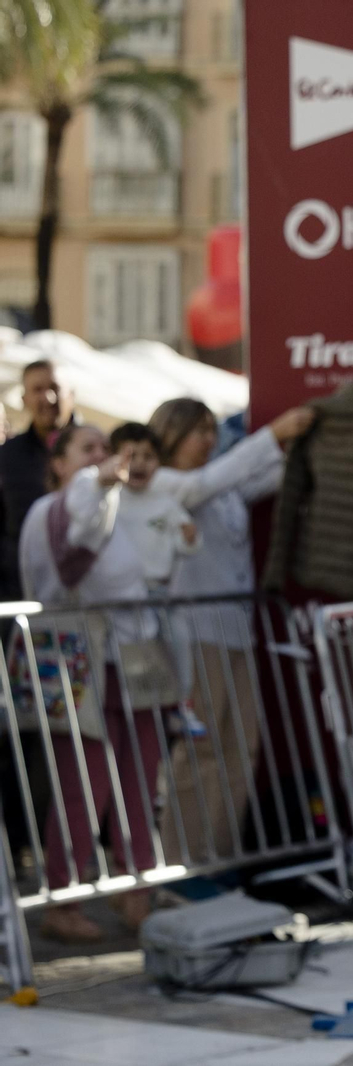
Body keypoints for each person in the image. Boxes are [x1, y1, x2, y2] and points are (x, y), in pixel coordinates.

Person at [145, 400, 315, 866]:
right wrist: (273, 433)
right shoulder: (162, 484)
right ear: (169, 436)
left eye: (210, 430)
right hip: (194, 635)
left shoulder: (220, 487)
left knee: (242, 749)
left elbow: (265, 477)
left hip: (239, 634)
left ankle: (220, 858)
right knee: (200, 751)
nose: (207, 440)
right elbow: (207, 483)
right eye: (195, 432)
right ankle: (183, 862)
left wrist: (304, 445)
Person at [17, 425, 159, 942]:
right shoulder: (54, 511)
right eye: (88, 449)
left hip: (128, 659)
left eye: (106, 447)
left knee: (140, 774)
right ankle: (65, 897)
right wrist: (98, 482)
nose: (104, 457)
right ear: (59, 464)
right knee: (84, 784)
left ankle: (135, 884)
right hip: (77, 661)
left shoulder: (108, 504)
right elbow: (73, 555)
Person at [108, 422, 205, 738]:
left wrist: (190, 539)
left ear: (159, 463)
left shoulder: (165, 502)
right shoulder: (109, 499)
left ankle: (180, 706)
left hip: (159, 592)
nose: (139, 464)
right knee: (127, 656)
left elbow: (185, 545)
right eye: (131, 455)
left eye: (148, 457)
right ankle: (129, 706)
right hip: (120, 596)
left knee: (178, 645)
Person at [1, 360, 73, 601]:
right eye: (37, 390)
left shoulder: (96, 451)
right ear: (24, 399)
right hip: (20, 593)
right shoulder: (7, 456)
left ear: (71, 394)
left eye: (55, 388)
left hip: (83, 594)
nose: (48, 398)